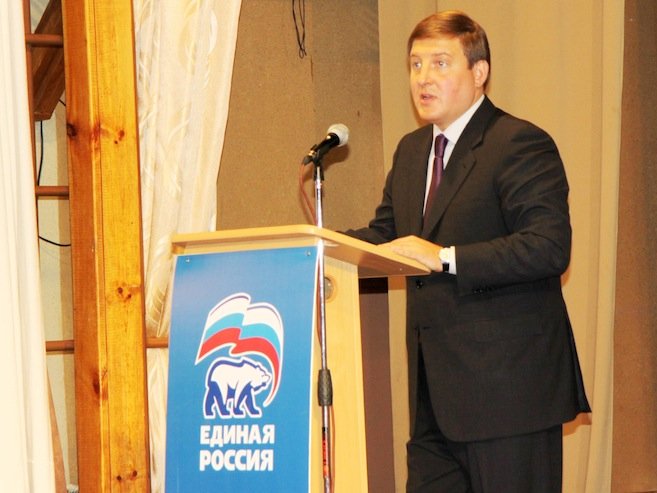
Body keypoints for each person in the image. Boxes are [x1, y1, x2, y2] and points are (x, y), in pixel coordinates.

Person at [345, 10, 590, 493]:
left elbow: (547, 246)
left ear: (479, 73)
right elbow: (386, 236)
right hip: (434, 403)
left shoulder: (517, 142)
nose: (423, 78)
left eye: (440, 63)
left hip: (509, 398)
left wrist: (445, 257)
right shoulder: (411, 152)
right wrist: (314, 248)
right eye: (415, 65)